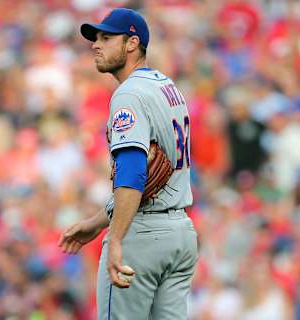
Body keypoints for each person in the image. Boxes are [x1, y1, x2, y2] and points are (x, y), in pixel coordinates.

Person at [58, 8, 198, 319]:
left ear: (132, 43)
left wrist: (117, 237)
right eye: (96, 38)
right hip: (181, 234)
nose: (96, 44)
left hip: (143, 235)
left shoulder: (129, 94)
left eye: (107, 38)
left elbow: (134, 172)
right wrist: (97, 223)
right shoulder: (168, 87)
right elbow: (155, 178)